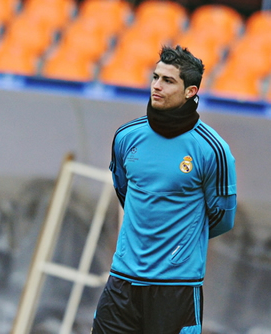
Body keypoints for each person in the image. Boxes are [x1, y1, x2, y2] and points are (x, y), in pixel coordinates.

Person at [92, 45, 237, 333]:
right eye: (155, 77)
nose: (156, 86)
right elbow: (125, 193)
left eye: (168, 81)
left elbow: (222, 219)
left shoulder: (212, 150)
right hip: (122, 282)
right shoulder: (126, 136)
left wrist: (180, 249)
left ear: (190, 91)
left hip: (177, 288)